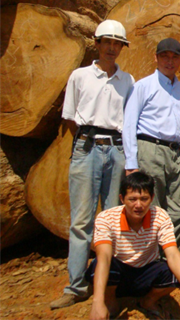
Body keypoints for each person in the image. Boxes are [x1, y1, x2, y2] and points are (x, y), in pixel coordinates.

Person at [51, 20, 135, 310]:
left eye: (117, 44)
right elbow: (72, 118)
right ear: (96, 43)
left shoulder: (128, 81)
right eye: (107, 42)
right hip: (86, 147)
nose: (112, 48)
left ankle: (109, 283)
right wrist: (87, 143)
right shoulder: (79, 76)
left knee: (112, 219)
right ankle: (75, 286)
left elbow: (130, 119)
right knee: (81, 221)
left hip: (116, 149)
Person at [86, 171, 180, 320]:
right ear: (122, 199)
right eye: (132, 199)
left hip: (146, 272)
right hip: (117, 275)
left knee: (174, 274)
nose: (138, 205)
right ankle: (110, 302)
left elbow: (172, 253)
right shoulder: (106, 218)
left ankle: (148, 301)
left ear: (152, 198)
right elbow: (105, 257)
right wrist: (97, 301)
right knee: (100, 264)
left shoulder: (160, 216)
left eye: (144, 199)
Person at [123, 38, 180, 252]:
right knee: (151, 209)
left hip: (176, 153)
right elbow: (129, 124)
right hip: (149, 149)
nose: (170, 61)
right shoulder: (143, 86)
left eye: (175, 57)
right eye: (165, 56)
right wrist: (131, 162)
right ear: (155, 58)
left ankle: (169, 259)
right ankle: (151, 261)